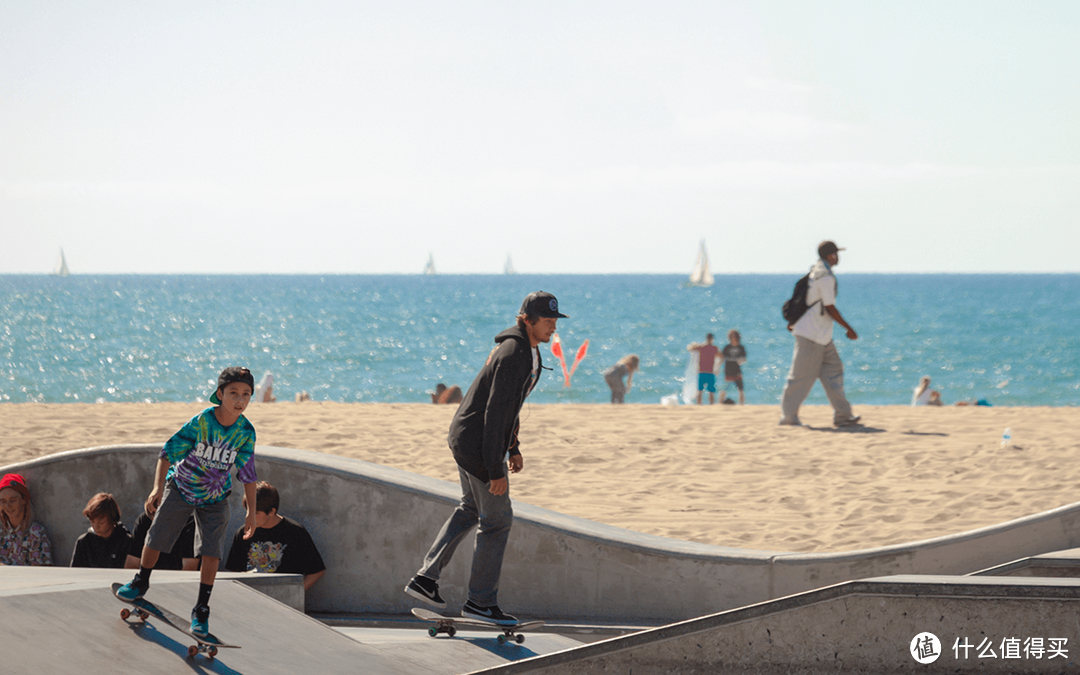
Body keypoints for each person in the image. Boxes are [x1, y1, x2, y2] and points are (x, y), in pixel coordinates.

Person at [404, 291, 567, 626]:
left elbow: (510, 407)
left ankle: (425, 578)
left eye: (555, 320)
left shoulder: (527, 350)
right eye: (547, 321)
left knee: (471, 509)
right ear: (527, 320)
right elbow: (495, 414)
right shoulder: (514, 354)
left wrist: (514, 447)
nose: (553, 326)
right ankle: (480, 602)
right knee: (497, 520)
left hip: (469, 439)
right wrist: (496, 469)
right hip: (477, 445)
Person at [116, 366, 259, 639]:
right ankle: (140, 581)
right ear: (220, 394)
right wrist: (157, 487)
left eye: (246, 394)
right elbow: (168, 451)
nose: (240, 399)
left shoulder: (246, 432)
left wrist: (251, 512)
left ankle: (202, 609)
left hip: (216, 496)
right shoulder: (203, 421)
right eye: (233, 393)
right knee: (156, 535)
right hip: (181, 487)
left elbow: (248, 474)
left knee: (212, 550)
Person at [779, 241, 862, 427]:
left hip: (822, 336)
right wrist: (848, 328)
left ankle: (843, 416)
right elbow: (829, 307)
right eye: (836, 254)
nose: (839, 257)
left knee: (834, 372)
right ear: (831, 255)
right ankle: (788, 418)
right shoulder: (825, 276)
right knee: (800, 378)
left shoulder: (816, 271)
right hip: (811, 335)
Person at [225, 481, 326, 591]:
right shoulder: (243, 532)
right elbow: (235, 570)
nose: (250, 517)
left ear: (272, 511)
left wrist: (294, 594)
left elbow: (316, 571)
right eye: (248, 512)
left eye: (256, 513)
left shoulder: (296, 532)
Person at [0, 473, 53, 566]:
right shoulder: (1, 531)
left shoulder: (36, 533)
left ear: (24, 500)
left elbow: (42, 575)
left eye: (13, 500)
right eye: (3, 501)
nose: (8, 506)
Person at [70, 492, 132, 568]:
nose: (96, 526)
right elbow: (75, 574)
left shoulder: (127, 542)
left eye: (101, 522)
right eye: (92, 521)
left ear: (112, 519)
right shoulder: (83, 542)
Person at [126, 512, 200, 571]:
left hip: (175, 584)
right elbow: (131, 564)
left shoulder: (190, 524)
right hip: (147, 581)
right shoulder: (145, 520)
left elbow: (189, 569)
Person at [687, 334, 721, 405]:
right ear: (712, 339)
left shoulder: (702, 347)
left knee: (700, 391)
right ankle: (711, 405)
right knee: (710, 391)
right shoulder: (714, 348)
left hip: (702, 372)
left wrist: (695, 344)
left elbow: (689, 348)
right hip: (709, 372)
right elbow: (721, 356)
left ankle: (699, 405)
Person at [719, 330, 747, 405]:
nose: (733, 338)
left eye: (735, 337)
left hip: (737, 370)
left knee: (740, 388)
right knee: (725, 387)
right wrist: (717, 368)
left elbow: (744, 358)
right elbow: (722, 358)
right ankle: (720, 403)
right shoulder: (727, 347)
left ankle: (741, 404)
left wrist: (740, 361)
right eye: (732, 337)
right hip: (728, 370)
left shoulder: (741, 347)